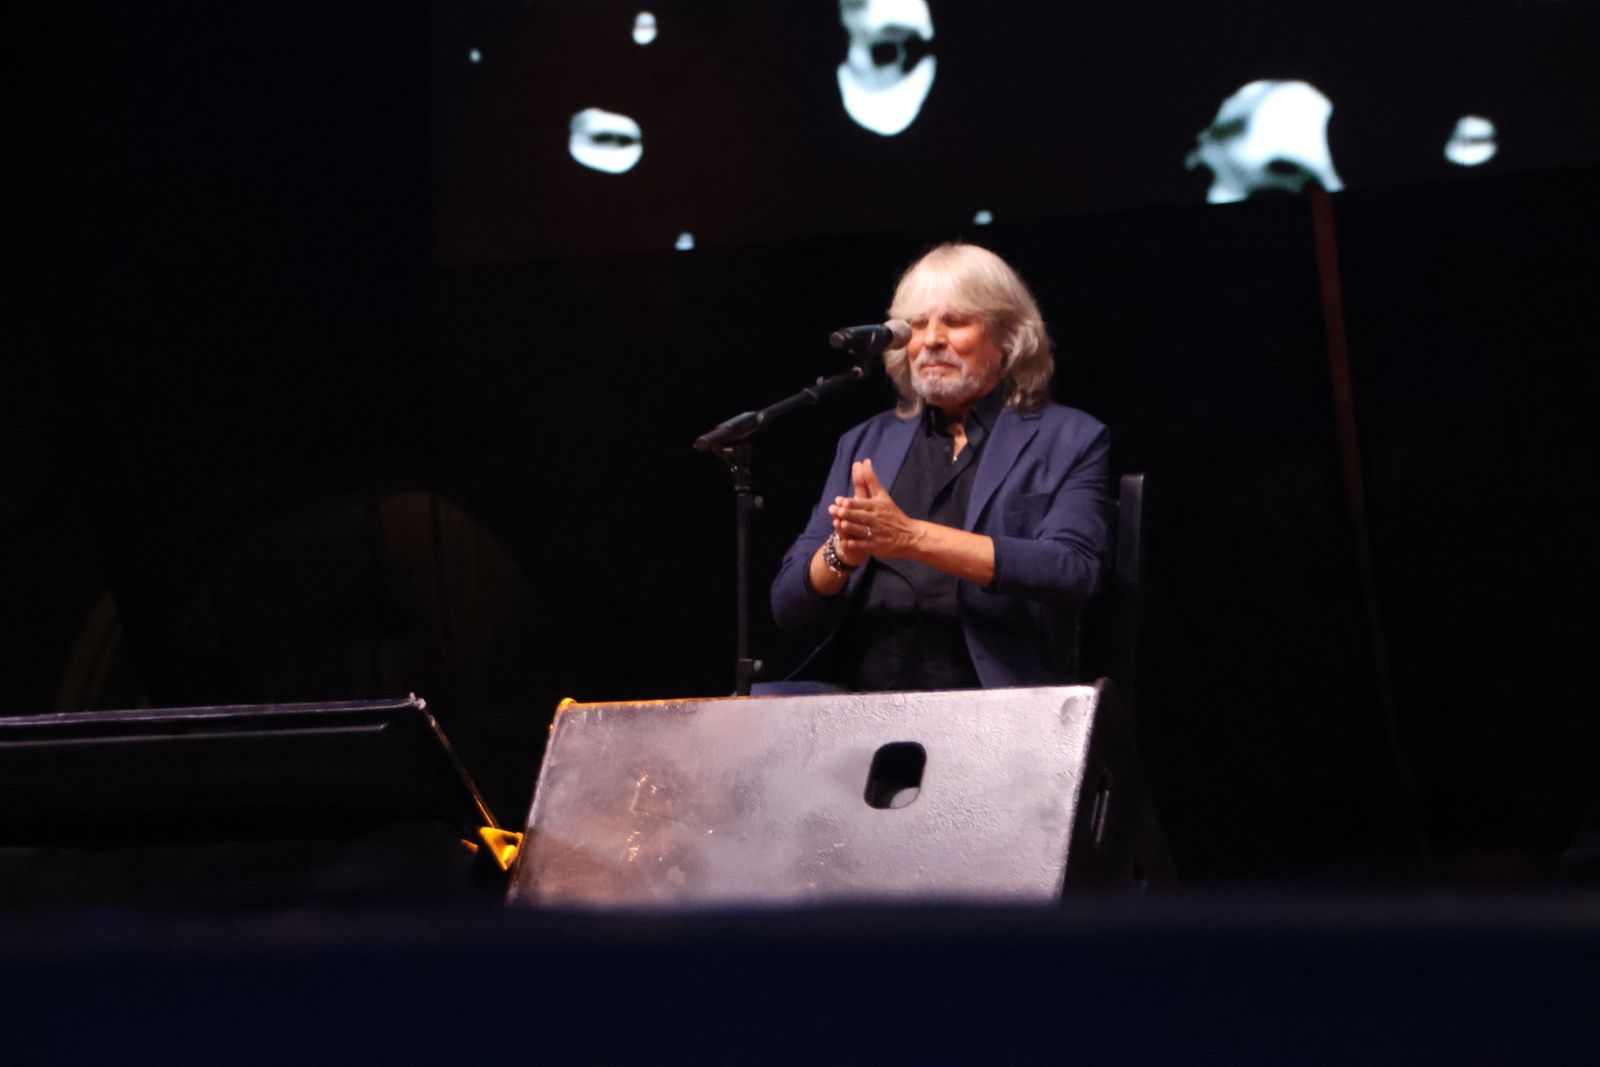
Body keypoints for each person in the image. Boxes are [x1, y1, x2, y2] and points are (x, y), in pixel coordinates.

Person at [771, 242, 1113, 691]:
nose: (930, 339)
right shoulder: (865, 442)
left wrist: (911, 538)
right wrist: (842, 553)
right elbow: (788, 606)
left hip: (996, 704)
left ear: (1008, 337)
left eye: (955, 322)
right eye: (915, 326)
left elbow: (1073, 570)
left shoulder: (1068, 438)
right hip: (857, 702)